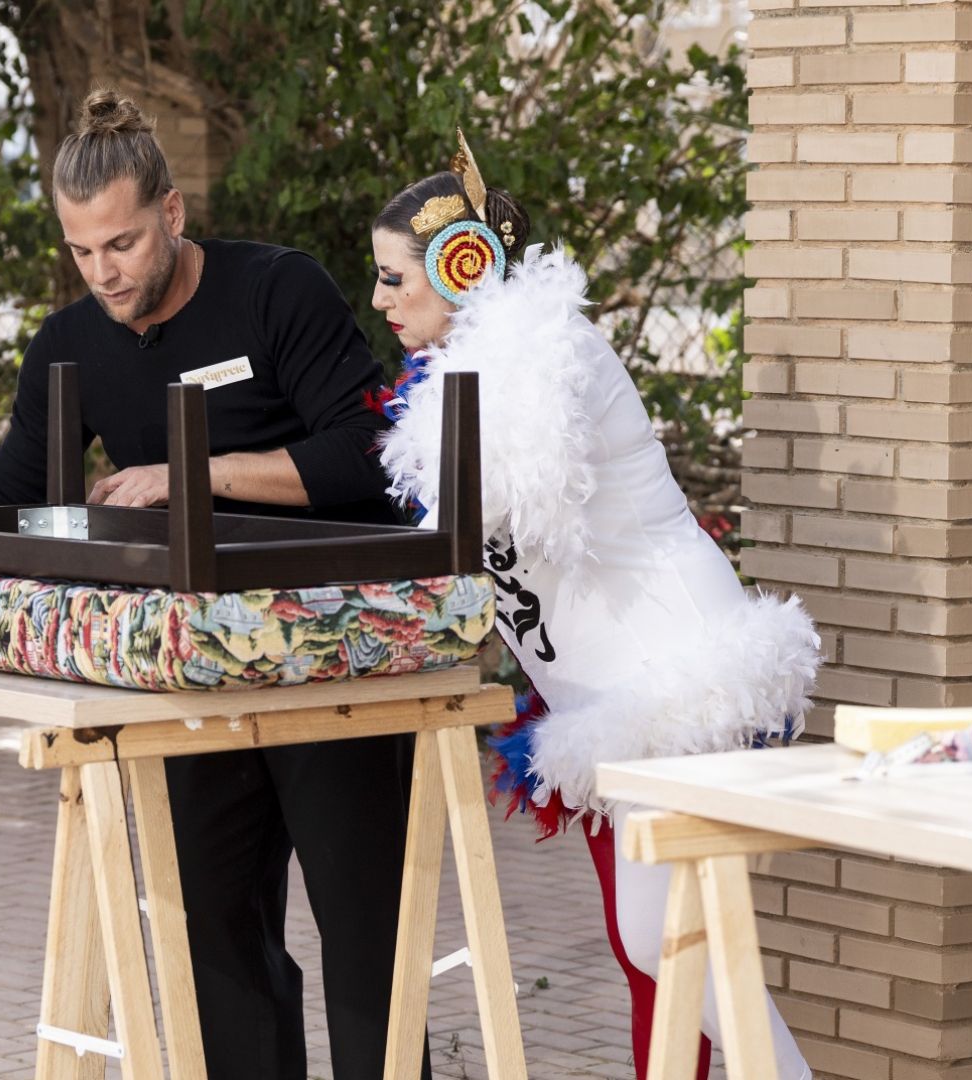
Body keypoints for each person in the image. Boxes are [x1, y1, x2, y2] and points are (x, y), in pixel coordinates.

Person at [0, 89, 429, 1079]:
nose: (105, 273)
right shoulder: (68, 345)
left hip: (330, 656)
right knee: (216, 939)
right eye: (82, 252)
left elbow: (371, 451)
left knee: (366, 936)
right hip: (193, 671)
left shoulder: (277, 290)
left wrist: (191, 475)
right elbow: (9, 497)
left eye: (123, 244)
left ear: (171, 213)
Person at [371, 133, 823, 1080]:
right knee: (661, 940)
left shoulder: (542, 354)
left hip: (676, 672)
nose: (379, 300)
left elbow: (477, 514)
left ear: (461, 267)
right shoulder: (466, 376)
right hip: (611, 694)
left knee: (668, 938)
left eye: (392, 278)